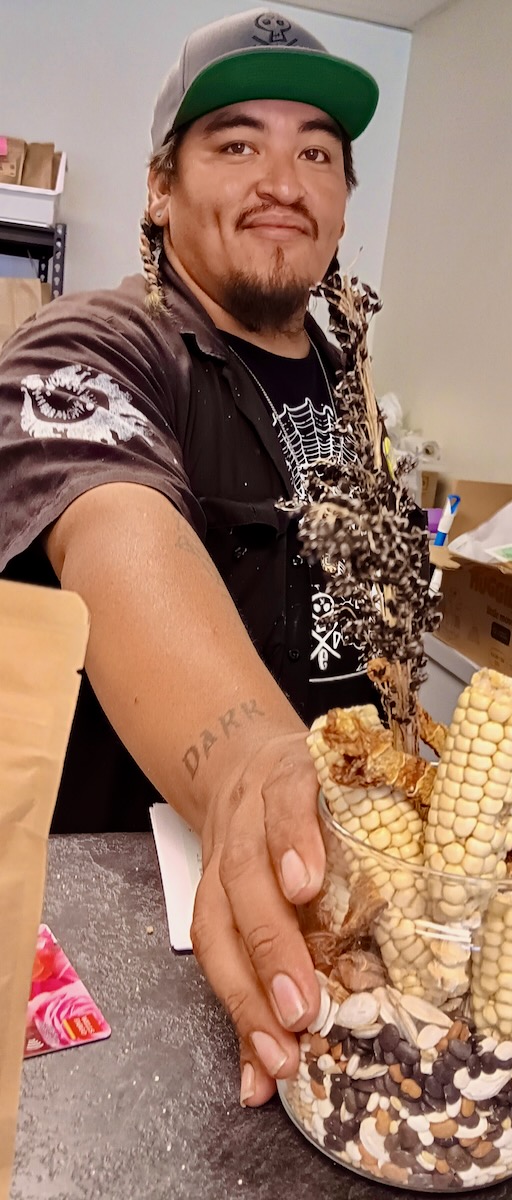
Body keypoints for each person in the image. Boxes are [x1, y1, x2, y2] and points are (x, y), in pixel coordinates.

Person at [0, 8, 382, 1107]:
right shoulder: (94, 347)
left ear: (343, 199)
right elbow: (117, 525)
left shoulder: (345, 380)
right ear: (159, 190)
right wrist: (256, 774)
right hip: (155, 965)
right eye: (236, 143)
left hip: (334, 935)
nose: (284, 174)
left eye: (317, 150)